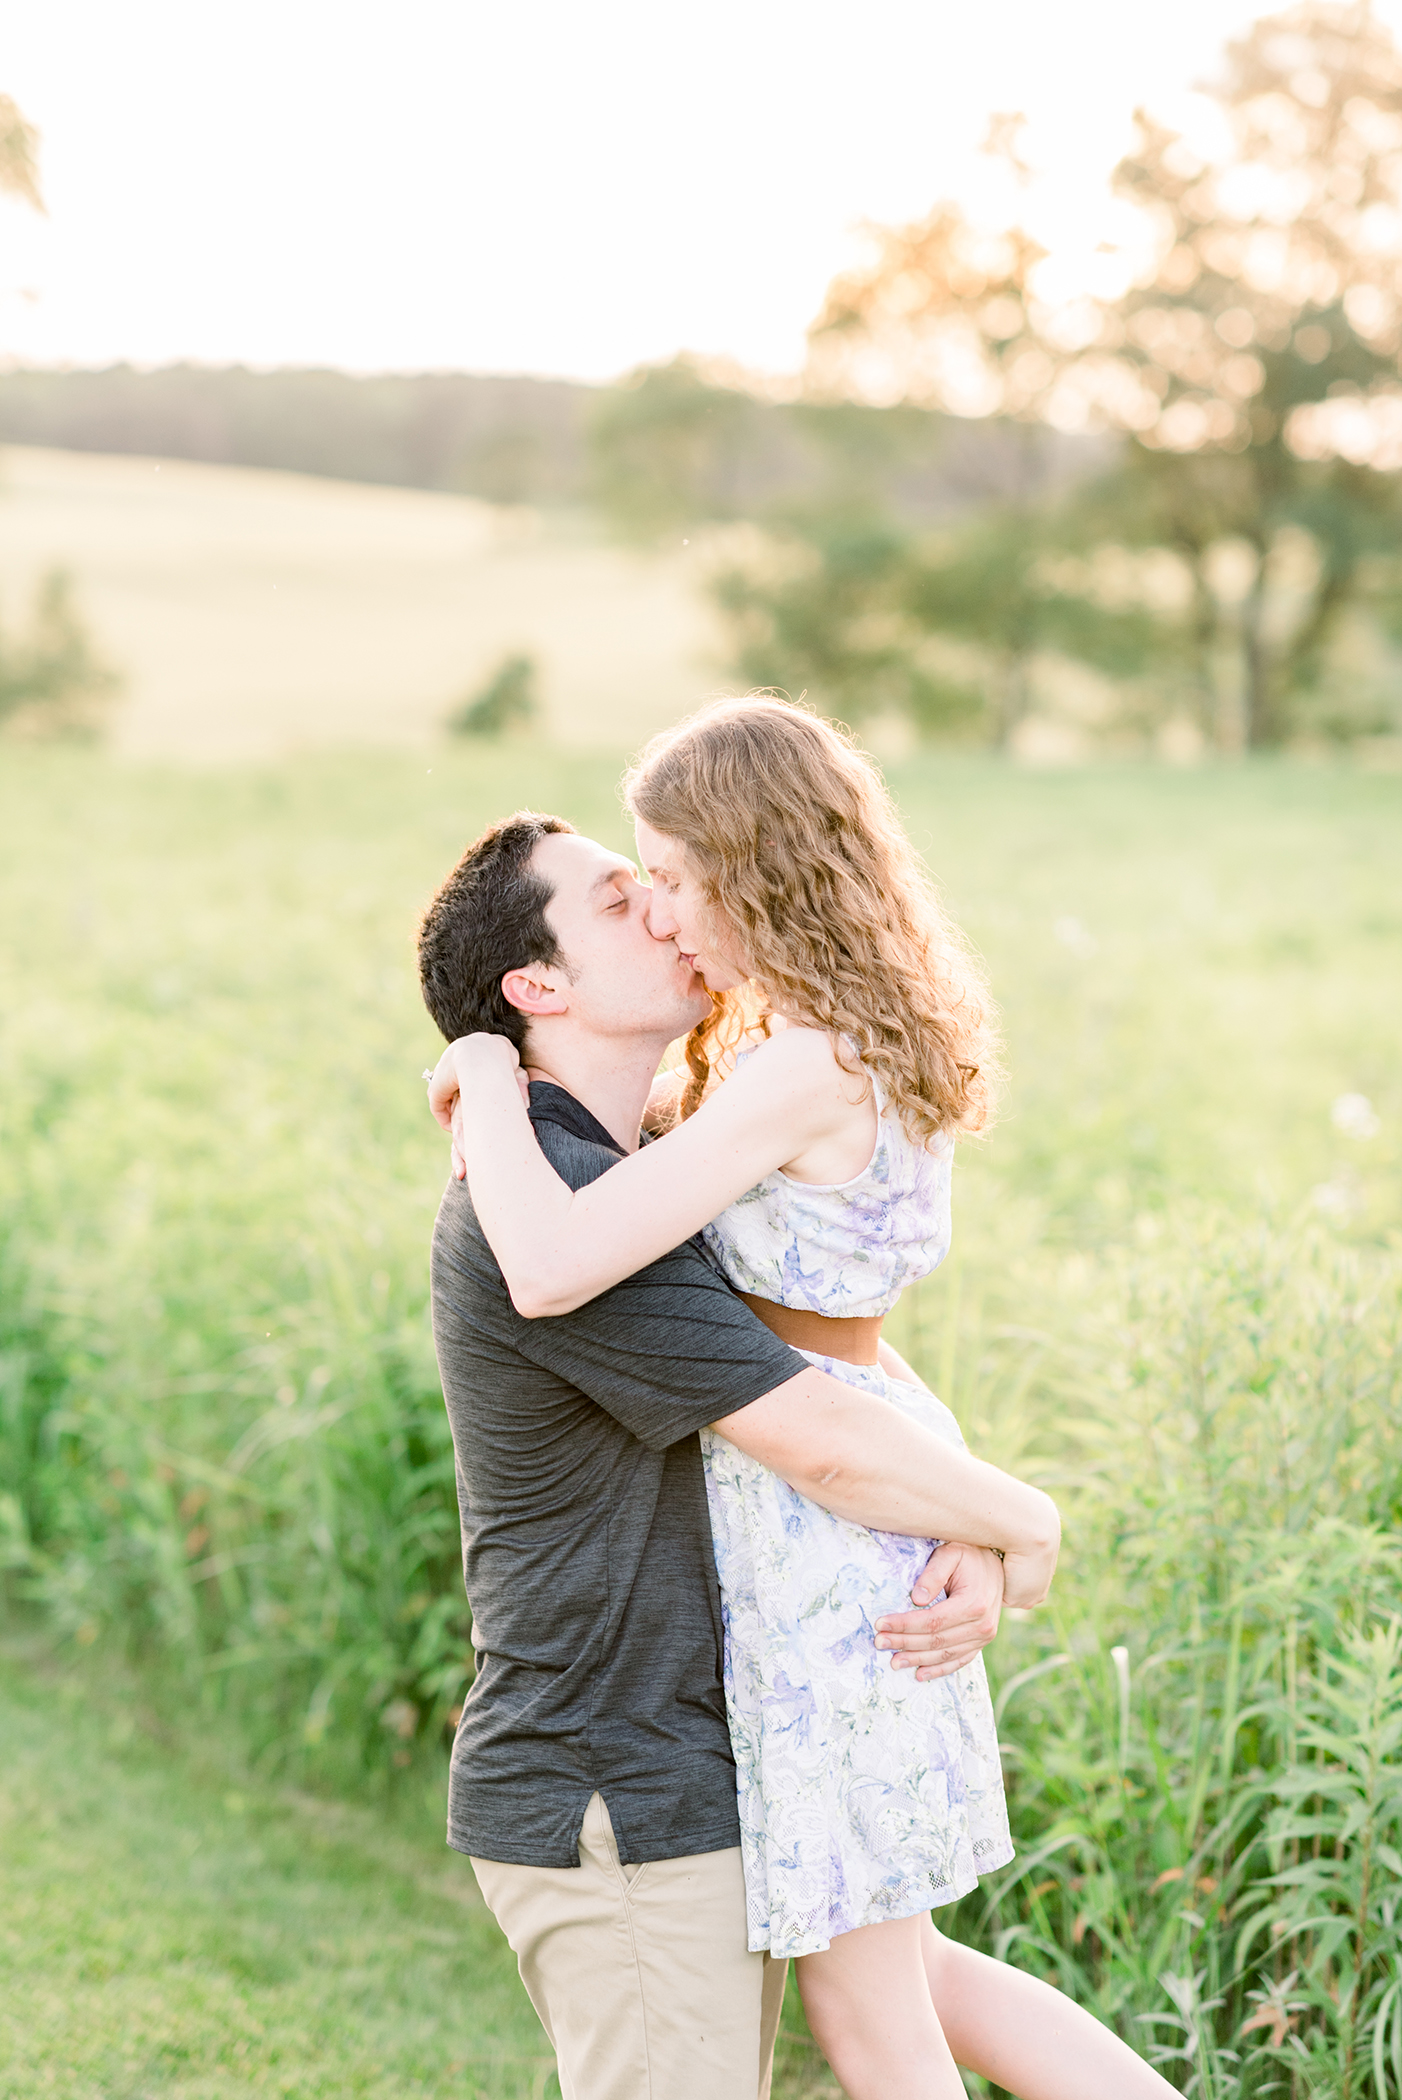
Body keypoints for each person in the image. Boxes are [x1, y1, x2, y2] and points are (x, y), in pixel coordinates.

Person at [432, 698, 1177, 2100]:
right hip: (860, 1490)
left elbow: (566, 1260)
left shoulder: (787, 1070)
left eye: (672, 875)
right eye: (632, 887)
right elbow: (810, 1332)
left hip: (821, 1542)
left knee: (874, 2014)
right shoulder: (837, 1043)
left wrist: (480, 1077)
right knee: (905, 1977)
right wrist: (963, 1493)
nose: (660, 910)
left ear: (748, 871)